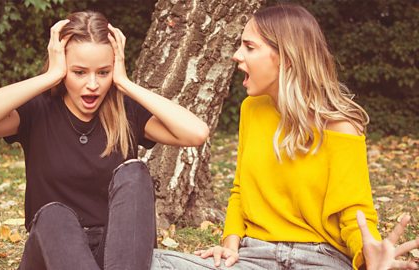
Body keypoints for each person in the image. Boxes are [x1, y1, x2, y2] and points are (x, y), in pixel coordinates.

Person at [149, 4, 419, 270]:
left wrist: (368, 253)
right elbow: (241, 190)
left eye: (249, 47)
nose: (236, 55)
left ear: (286, 57)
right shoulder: (251, 109)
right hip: (255, 256)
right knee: (149, 261)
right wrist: (230, 244)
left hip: (321, 258)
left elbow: (353, 211)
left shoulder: (340, 125)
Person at [0, 11, 209, 270]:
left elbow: (196, 133)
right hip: (53, 250)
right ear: (62, 68)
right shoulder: (39, 109)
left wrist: (124, 83)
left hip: (117, 257)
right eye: (79, 72)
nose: (93, 84)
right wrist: (49, 77)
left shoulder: (126, 112)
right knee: (53, 215)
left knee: (135, 173)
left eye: (103, 72)